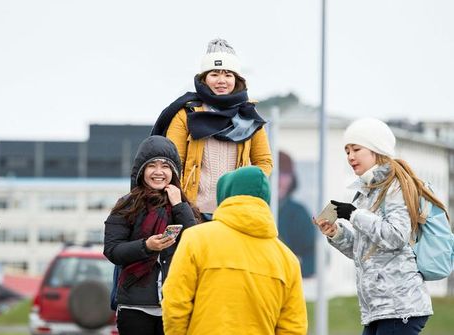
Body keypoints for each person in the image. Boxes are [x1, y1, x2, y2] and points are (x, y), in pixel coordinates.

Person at [315, 118, 445, 335]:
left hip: (400, 307)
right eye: (347, 150)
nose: (350, 156)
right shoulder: (368, 191)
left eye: (356, 149)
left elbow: (396, 236)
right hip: (380, 309)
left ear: (376, 150)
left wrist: (354, 214)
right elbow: (366, 251)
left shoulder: (395, 186)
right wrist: (337, 233)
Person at [162, 166, 307, 335]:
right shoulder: (287, 260)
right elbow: (294, 327)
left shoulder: (196, 239)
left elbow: (175, 304)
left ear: (225, 197)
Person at [151, 38, 273, 218]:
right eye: (214, 74)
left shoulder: (249, 116)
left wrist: (246, 188)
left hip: (235, 212)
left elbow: (264, 162)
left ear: (237, 80)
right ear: (204, 79)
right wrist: (180, 202)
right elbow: (173, 161)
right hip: (192, 211)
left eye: (228, 75)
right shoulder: (185, 113)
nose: (221, 81)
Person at [103, 135, 199, 335]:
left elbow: (196, 244)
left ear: (173, 172)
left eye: (165, 166)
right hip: (134, 305)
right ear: (141, 171)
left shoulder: (183, 206)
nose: (158, 172)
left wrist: (179, 205)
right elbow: (112, 250)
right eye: (151, 166)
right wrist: (146, 246)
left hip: (174, 305)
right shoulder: (127, 204)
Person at [277, 151, 316, 277]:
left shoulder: (298, 213)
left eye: (285, 174)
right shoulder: (251, 209)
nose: (279, 180)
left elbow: (314, 258)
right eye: (275, 174)